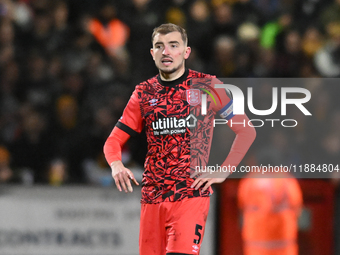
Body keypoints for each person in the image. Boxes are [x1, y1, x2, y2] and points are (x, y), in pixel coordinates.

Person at [103, 23, 256, 255]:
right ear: (152, 53)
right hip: (152, 196)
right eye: (159, 46)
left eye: (173, 45)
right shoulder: (143, 93)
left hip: (190, 194)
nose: (166, 52)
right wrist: (116, 165)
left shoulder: (208, 86)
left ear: (186, 52)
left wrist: (224, 170)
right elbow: (113, 141)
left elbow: (247, 130)